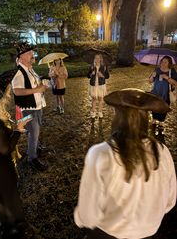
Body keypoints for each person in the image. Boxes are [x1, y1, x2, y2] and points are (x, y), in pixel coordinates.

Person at [74, 88, 176, 239]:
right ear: (145, 118)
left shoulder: (100, 154)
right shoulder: (162, 152)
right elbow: (170, 201)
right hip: (149, 233)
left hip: (110, 233)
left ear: (117, 116)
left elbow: (88, 215)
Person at [0, 71, 33, 239]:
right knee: (10, 197)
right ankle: (18, 228)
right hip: (0, 168)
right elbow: (4, 149)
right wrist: (18, 131)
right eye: (6, 95)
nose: (8, 97)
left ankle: (6, 227)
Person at [12, 42, 48, 171]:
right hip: (28, 108)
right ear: (21, 57)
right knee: (33, 132)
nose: (32, 55)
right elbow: (17, 91)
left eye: (32, 52)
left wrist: (43, 82)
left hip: (37, 106)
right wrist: (37, 90)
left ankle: (36, 148)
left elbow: (33, 85)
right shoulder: (19, 72)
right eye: (29, 53)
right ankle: (32, 158)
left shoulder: (30, 69)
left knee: (36, 131)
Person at [149, 55, 177, 129]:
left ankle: (161, 121)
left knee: (164, 107)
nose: (163, 63)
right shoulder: (157, 69)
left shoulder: (172, 71)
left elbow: (175, 83)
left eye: (165, 62)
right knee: (154, 107)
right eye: (162, 61)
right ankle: (154, 119)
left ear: (169, 63)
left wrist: (167, 77)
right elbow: (150, 81)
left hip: (166, 94)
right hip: (155, 93)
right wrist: (152, 76)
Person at [87, 53, 109, 119]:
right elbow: (87, 76)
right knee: (94, 98)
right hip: (93, 85)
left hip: (101, 85)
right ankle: (93, 112)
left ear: (100, 59)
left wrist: (102, 75)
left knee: (100, 98)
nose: (97, 59)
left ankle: (100, 112)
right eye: (96, 58)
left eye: (98, 58)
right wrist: (91, 74)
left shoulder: (104, 66)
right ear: (94, 59)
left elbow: (107, 76)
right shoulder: (92, 66)